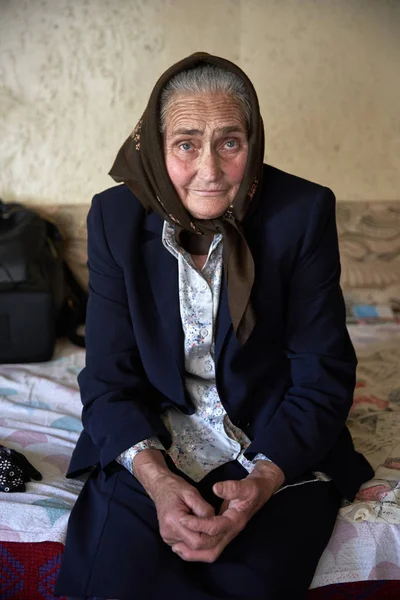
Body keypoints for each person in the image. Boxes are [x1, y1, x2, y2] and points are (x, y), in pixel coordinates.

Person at [55, 52, 374, 600]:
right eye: (185, 144)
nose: (209, 169)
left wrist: (263, 480)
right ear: (156, 149)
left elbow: (321, 374)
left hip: (271, 436)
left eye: (230, 142)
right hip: (154, 436)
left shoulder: (301, 213)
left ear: (253, 143)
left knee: (252, 579)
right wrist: (157, 481)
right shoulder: (115, 218)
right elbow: (109, 379)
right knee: (114, 576)